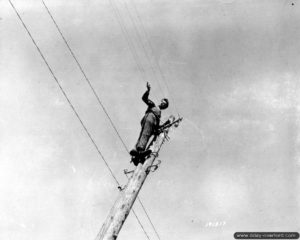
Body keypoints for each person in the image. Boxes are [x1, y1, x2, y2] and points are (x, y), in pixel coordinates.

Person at [130, 82, 170, 164]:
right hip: (149, 118)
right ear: (161, 101)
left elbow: (157, 127)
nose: (163, 104)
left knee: (145, 135)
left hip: (152, 123)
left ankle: (136, 155)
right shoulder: (153, 106)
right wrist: (148, 90)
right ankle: (140, 150)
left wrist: (166, 124)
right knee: (145, 134)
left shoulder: (159, 115)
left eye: (165, 105)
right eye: (163, 102)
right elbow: (144, 98)